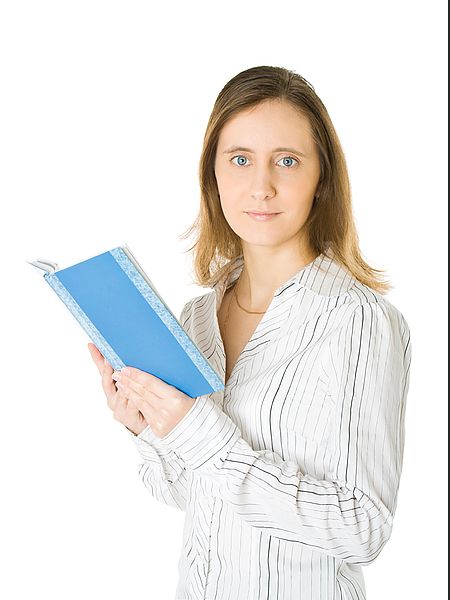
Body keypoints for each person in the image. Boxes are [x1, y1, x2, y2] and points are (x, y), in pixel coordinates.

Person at [88, 65, 412, 600]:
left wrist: (197, 432)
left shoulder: (359, 321)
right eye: (240, 160)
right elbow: (191, 494)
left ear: (321, 180)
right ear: (212, 176)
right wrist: (147, 430)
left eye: (287, 161)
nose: (261, 186)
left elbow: (363, 529)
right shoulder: (195, 319)